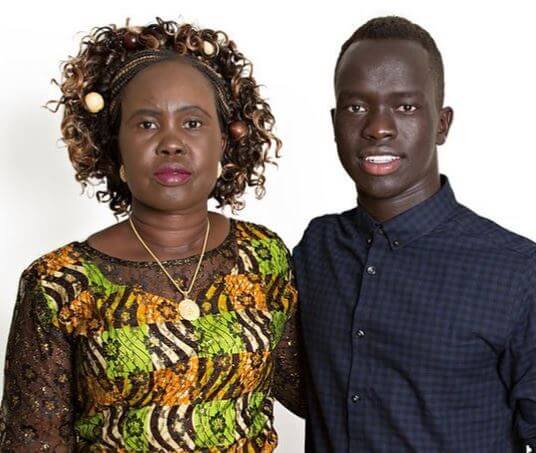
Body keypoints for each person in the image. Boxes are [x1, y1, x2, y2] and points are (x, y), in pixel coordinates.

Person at [0, 18, 304, 452]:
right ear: (115, 144)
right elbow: (32, 441)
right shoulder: (58, 283)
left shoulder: (264, 256)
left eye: (194, 123)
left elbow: (323, 392)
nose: (172, 142)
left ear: (224, 141)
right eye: (146, 124)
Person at [293, 16, 536, 452]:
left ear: (442, 124)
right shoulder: (316, 249)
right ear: (334, 124)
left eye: (405, 106)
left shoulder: (518, 272)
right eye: (356, 107)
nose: (378, 127)